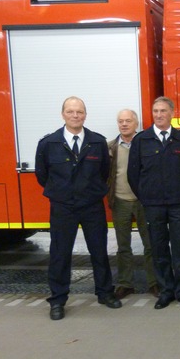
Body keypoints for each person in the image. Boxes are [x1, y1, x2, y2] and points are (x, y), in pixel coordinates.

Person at [35, 96, 121, 320]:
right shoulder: (48, 144)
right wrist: (63, 192)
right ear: (63, 114)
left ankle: (105, 293)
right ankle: (58, 300)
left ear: (85, 115)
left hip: (91, 205)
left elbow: (104, 172)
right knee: (60, 254)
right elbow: (42, 176)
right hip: (63, 207)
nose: (75, 115)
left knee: (100, 252)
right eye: (71, 111)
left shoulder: (97, 142)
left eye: (80, 112)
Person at [128, 96, 180, 310]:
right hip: (153, 204)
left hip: (177, 203)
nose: (158, 115)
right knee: (158, 249)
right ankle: (166, 291)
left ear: (172, 113)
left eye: (163, 111)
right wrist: (146, 196)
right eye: (155, 111)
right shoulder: (141, 140)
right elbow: (133, 174)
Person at [107, 109, 159, 299]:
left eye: (128, 121)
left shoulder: (145, 144)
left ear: (136, 123)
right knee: (123, 247)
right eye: (121, 121)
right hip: (120, 201)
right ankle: (124, 283)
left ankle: (154, 282)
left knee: (150, 244)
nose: (124, 124)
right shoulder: (110, 147)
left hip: (143, 201)